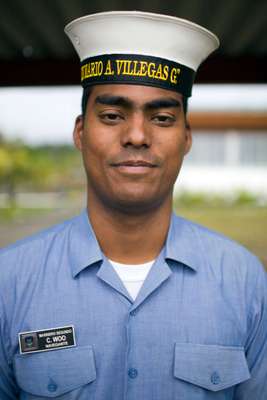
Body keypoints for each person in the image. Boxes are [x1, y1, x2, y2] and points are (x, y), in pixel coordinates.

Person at [0, 11, 266, 400]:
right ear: (80, 132)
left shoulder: (244, 280)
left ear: (186, 138)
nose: (137, 136)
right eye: (112, 115)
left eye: (161, 117)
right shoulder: (9, 281)